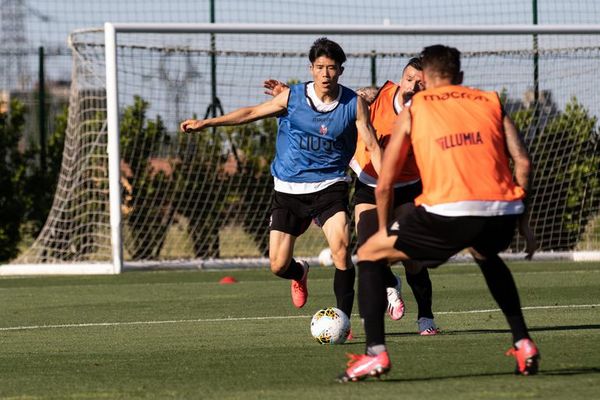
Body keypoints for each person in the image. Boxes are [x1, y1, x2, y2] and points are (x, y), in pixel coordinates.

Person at [339, 44, 539, 382]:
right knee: (485, 252)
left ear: (425, 80)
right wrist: (524, 223)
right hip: (501, 212)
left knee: (369, 254)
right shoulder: (490, 100)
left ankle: (375, 354)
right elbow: (522, 161)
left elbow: (385, 181)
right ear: (460, 77)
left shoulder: (415, 110)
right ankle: (523, 342)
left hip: (448, 212)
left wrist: (386, 229)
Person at [181, 38, 382, 326]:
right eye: (320, 67)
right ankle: (299, 273)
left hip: (330, 185)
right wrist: (206, 123)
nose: (325, 74)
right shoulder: (292, 98)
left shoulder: (354, 104)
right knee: (277, 265)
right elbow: (250, 113)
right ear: (311, 68)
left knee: (341, 248)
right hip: (288, 189)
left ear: (340, 70)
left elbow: (373, 145)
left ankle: (343, 319)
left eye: (331, 68)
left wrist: (386, 178)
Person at [265, 58, 439, 335]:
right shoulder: (377, 95)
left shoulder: (432, 114)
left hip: (407, 187)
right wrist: (292, 97)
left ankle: (426, 318)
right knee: (368, 251)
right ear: (402, 77)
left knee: (410, 255)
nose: (413, 86)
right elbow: (335, 102)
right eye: (409, 79)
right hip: (370, 183)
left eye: (421, 83)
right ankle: (390, 284)